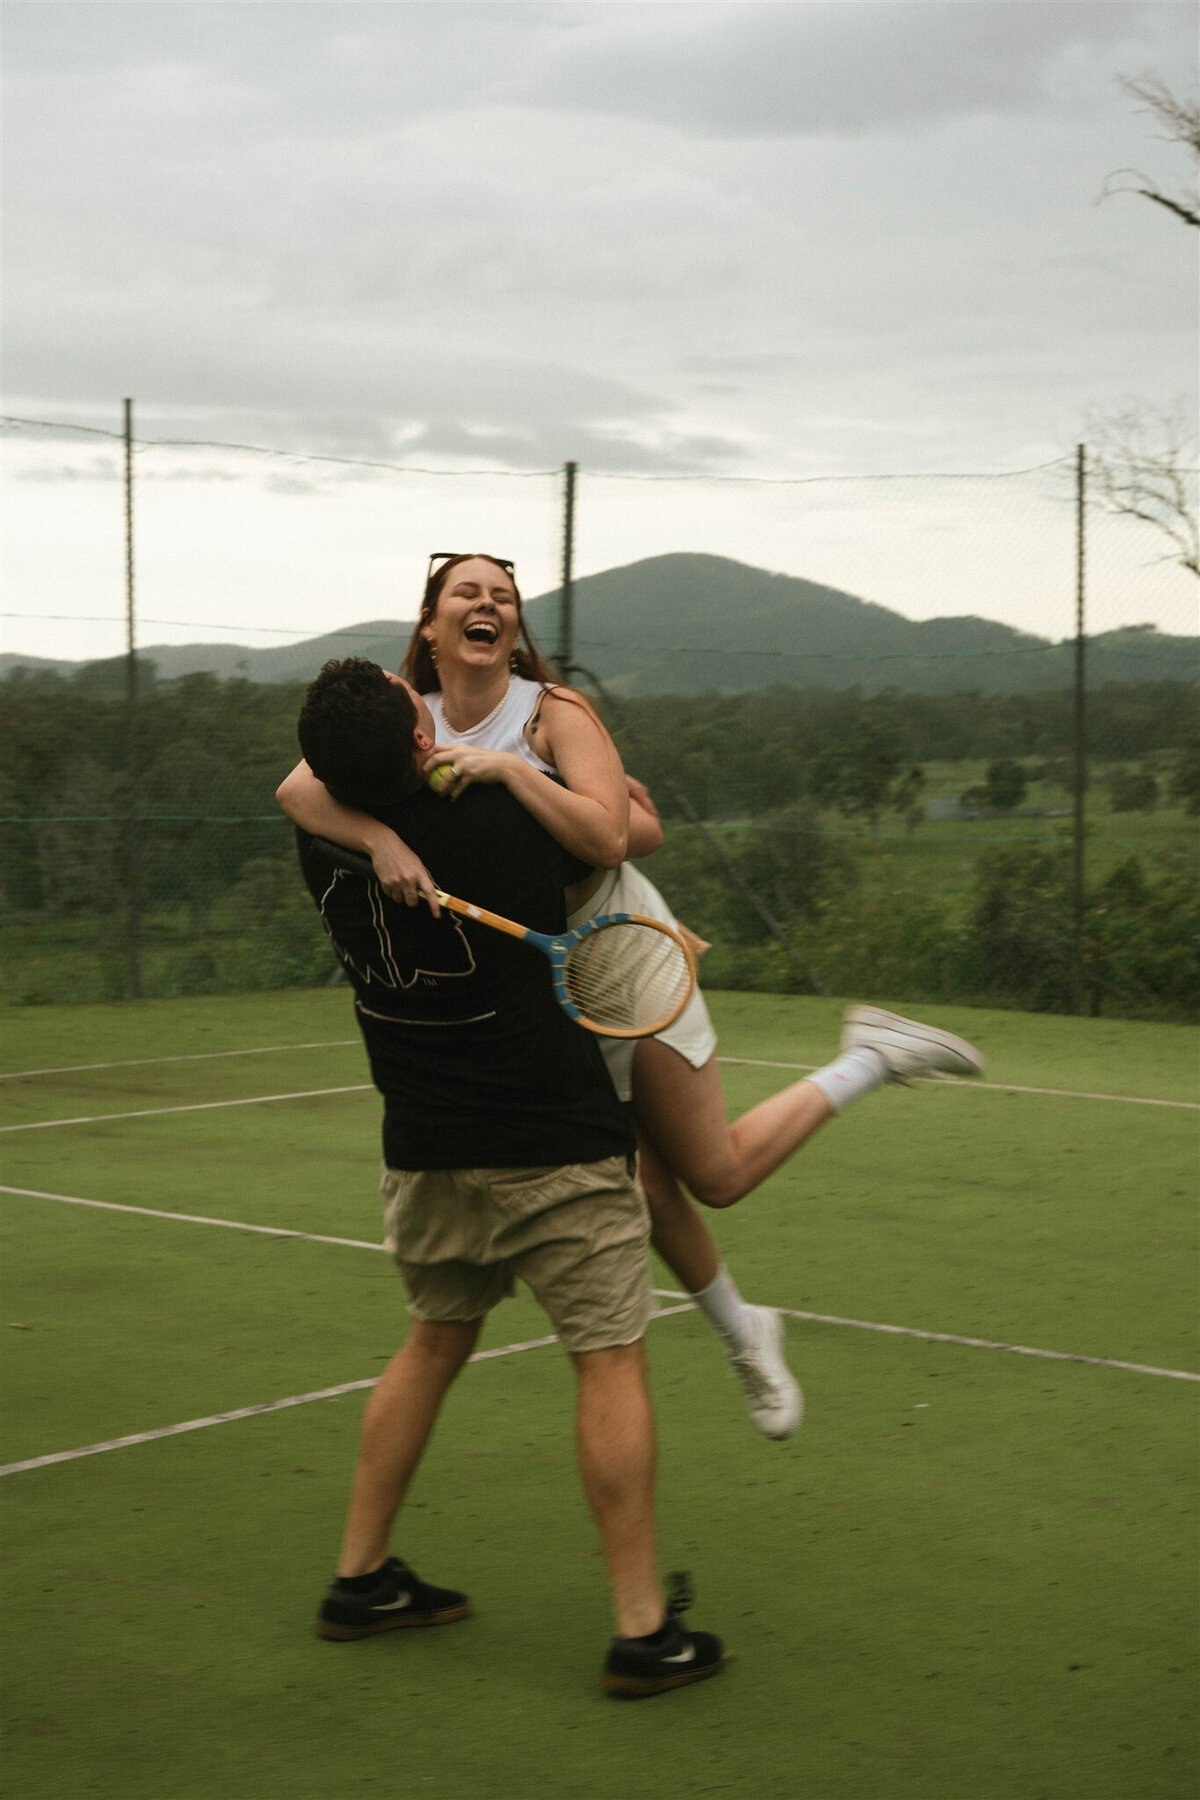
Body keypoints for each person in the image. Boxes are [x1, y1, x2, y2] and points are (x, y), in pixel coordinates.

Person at [277, 555, 985, 1441]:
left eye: (503, 593)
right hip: (534, 980)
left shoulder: (552, 714)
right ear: (430, 623)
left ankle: (868, 1057)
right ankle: (743, 1331)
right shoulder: (399, 719)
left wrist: (514, 776)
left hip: (614, 948)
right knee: (634, 1183)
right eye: (468, 590)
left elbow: (622, 833)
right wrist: (379, 839)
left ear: (513, 627)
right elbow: (298, 789)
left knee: (713, 1174)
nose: (488, 602)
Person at [292, 656, 725, 1699]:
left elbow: (300, 786)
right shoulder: (498, 832)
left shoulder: (320, 838)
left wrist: (388, 825)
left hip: (422, 1146)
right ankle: (641, 1632)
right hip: (552, 1145)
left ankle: (360, 1578)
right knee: (611, 1363)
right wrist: (538, 772)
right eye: (416, 710)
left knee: (433, 1343)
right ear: (416, 747)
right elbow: (618, 830)